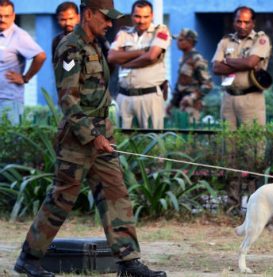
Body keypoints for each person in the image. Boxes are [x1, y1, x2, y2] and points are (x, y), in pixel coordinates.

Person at [13, 0, 166, 276]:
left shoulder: (96, 43)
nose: (110, 24)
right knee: (61, 198)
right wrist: (92, 136)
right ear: (90, 14)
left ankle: (127, 262)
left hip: (101, 133)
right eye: (106, 18)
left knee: (115, 193)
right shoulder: (70, 47)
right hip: (77, 138)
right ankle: (29, 258)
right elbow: (68, 101)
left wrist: (102, 132)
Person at [211, 6, 272, 211]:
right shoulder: (225, 41)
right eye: (239, 21)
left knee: (253, 151)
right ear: (234, 21)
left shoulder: (260, 40)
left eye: (247, 22)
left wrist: (228, 61)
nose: (242, 25)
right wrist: (240, 63)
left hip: (251, 99)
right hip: (228, 99)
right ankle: (232, 202)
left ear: (253, 23)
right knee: (229, 151)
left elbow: (251, 61)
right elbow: (215, 67)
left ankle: (256, 204)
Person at [108, 0, 171, 129]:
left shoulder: (160, 30)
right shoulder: (124, 33)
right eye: (137, 16)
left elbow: (151, 56)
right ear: (131, 16)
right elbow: (112, 56)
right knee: (122, 141)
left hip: (150, 95)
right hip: (124, 95)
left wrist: (126, 62)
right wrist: (142, 52)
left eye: (146, 17)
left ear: (152, 16)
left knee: (152, 141)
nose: (141, 21)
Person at [0, 0, 46, 125]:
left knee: (10, 140)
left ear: (13, 16)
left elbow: (40, 56)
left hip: (8, 100)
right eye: (0, 16)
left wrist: (26, 77)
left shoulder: (19, 36)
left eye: (6, 16)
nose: (2, 19)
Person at [166, 28, 213, 122]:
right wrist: (171, 104)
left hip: (193, 106)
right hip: (181, 104)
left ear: (190, 41)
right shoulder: (184, 59)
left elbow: (208, 84)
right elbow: (180, 84)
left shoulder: (196, 59)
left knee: (191, 134)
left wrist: (192, 97)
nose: (177, 42)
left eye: (180, 40)